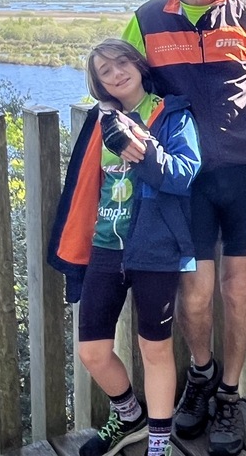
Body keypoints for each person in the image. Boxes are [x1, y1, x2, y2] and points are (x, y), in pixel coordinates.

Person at [122, 0, 246, 456]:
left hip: (245, 175)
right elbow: (119, 86)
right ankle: (200, 375)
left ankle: (228, 394)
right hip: (184, 181)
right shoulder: (146, 20)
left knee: (238, 288)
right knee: (195, 295)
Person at [47, 39, 201, 456]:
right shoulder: (101, 121)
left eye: (121, 63)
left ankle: (158, 442)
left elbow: (184, 174)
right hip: (105, 245)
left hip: (155, 248)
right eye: (104, 71)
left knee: (155, 349)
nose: (116, 73)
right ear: (99, 83)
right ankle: (129, 415)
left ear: (137, 64)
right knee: (93, 351)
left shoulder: (172, 113)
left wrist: (143, 147)